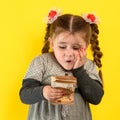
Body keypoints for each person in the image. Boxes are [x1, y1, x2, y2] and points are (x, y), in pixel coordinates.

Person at [19, 9, 104, 120]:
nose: (68, 53)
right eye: (62, 47)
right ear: (52, 43)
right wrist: (43, 92)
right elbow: (24, 95)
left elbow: (96, 98)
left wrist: (79, 71)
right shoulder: (41, 62)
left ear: (86, 46)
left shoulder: (88, 66)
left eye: (76, 48)